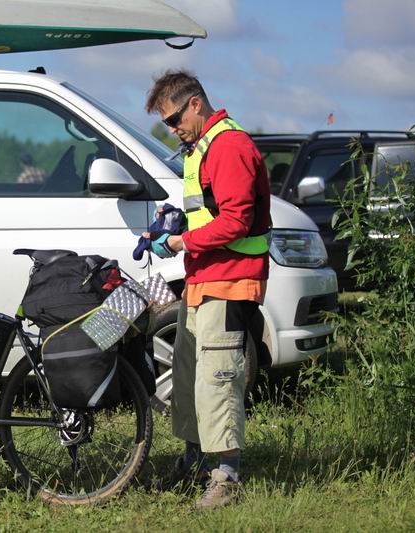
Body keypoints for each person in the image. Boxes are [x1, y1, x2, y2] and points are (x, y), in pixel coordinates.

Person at [144, 70, 271, 509]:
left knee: (218, 380)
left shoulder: (230, 146)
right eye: (167, 124)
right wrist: (177, 226)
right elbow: (211, 212)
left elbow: (236, 220)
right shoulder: (202, 148)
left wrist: (184, 241)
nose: (173, 128)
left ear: (195, 104)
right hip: (203, 280)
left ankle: (227, 478)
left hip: (230, 279)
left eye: (175, 118)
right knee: (189, 379)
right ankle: (195, 461)